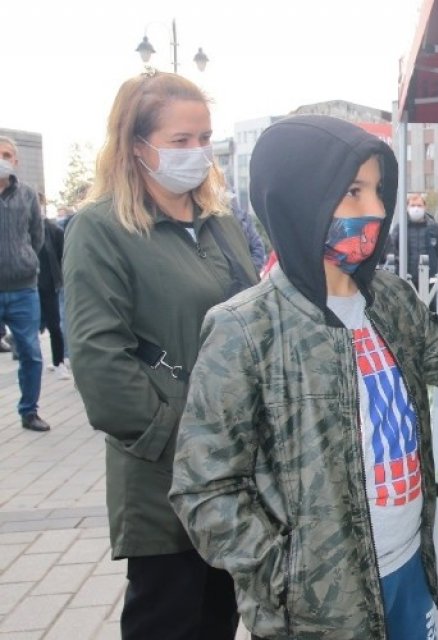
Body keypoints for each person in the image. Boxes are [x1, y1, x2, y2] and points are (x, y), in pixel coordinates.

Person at [168, 115, 438, 639]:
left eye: (379, 190)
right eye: (353, 192)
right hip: (321, 613)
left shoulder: (390, 299)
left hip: (408, 567)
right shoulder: (246, 329)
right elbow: (204, 489)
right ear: (300, 201)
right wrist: (288, 577)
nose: (378, 209)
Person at [64, 71, 255, 639]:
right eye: (181, 140)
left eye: (205, 138)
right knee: (169, 619)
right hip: (164, 477)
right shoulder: (102, 229)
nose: (198, 152)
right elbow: (99, 360)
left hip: (237, 473)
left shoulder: (221, 225)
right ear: (136, 145)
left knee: (219, 619)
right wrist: (183, 441)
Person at [0, 135, 49, 432]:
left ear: (15, 160)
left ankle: (29, 411)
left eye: (6, 154)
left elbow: (37, 235)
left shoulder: (28, 194)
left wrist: (25, 258)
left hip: (23, 288)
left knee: (31, 353)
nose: (2, 159)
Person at [38, 217, 70, 379]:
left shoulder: (53, 230)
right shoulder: (20, 228)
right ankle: (29, 367)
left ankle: (59, 362)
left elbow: (62, 257)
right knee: (28, 331)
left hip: (49, 285)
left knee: (55, 326)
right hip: (27, 285)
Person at [389, 192, 438, 289]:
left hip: (430, 281)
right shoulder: (400, 228)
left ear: (425, 207)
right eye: (412, 205)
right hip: (406, 280)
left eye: (419, 205)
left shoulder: (434, 228)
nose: (416, 208)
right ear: (407, 207)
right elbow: (392, 250)